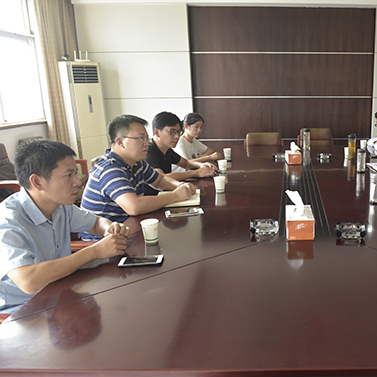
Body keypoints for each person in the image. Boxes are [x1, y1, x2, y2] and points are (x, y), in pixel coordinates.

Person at [0, 139, 130, 315]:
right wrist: (94, 252)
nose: (78, 182)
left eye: (75, 173)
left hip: (59, 293)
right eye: (68, 175)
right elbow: (28, 281)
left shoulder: (60, 206)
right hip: (23, 312)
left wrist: (109, 228)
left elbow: (96, 223)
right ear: (37, 182)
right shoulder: (8, 221)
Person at [81, 114, 196, 226]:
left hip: (127, 226)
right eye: (141, 138)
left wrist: (180, 185)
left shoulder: (137, 163)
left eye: (146, 138)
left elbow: (159, 181)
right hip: (105, 236)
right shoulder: (110, 168)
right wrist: (175, 196)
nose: (147, 143)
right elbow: (134, 207)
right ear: (120, 142)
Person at [144, 111, 216, 195]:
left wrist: (202, 165)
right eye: (172, 131)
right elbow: (161, 178)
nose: (177, 136)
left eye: (178, 132)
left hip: (166, 193)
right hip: (153, 198)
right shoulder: (148, 152)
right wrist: (196, 173)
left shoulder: (167, 150)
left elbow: (186, 163)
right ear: (157, 132)